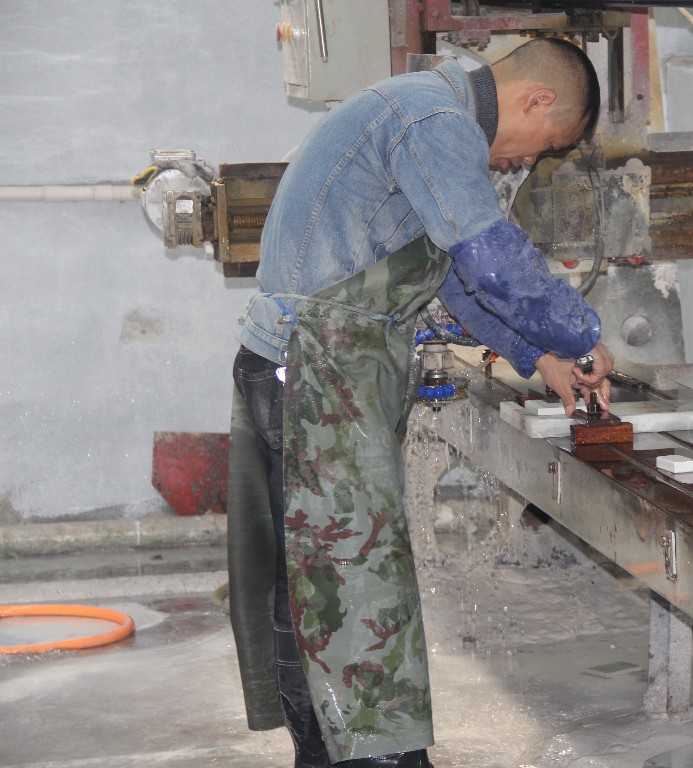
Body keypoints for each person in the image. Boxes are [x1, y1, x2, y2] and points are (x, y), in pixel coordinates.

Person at [226, 38, 614, 768]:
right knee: (346, 579)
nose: (526, 161)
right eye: (545, 144)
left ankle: (333, 755)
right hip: (313, 373)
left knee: (319, 578)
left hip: (313, 367)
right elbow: (487, 257)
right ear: (537, 99)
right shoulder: (436, 121)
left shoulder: (421, 112)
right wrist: (583, 336)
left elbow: (452, 278)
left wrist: (541, 357)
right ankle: (372, 758)